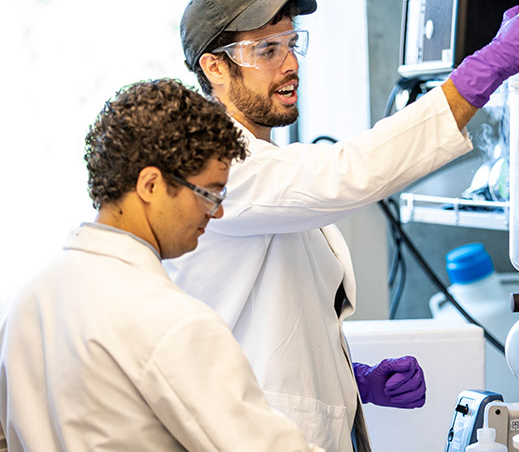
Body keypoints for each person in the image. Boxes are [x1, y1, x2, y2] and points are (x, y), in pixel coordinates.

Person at [167, 0, 519, 452]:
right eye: (267, 50)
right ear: (215, 67)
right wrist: (487, 66)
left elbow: (268, 325)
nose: (291, 64)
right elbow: (351, 171)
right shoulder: (217, 167)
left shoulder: (270, 167)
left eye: (292, 43)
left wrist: (350, 378)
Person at [0, 78, 324, 451]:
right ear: (150, 185)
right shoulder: (171, 321)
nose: (217, 213)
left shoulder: (23, 302)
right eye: (209, 194)